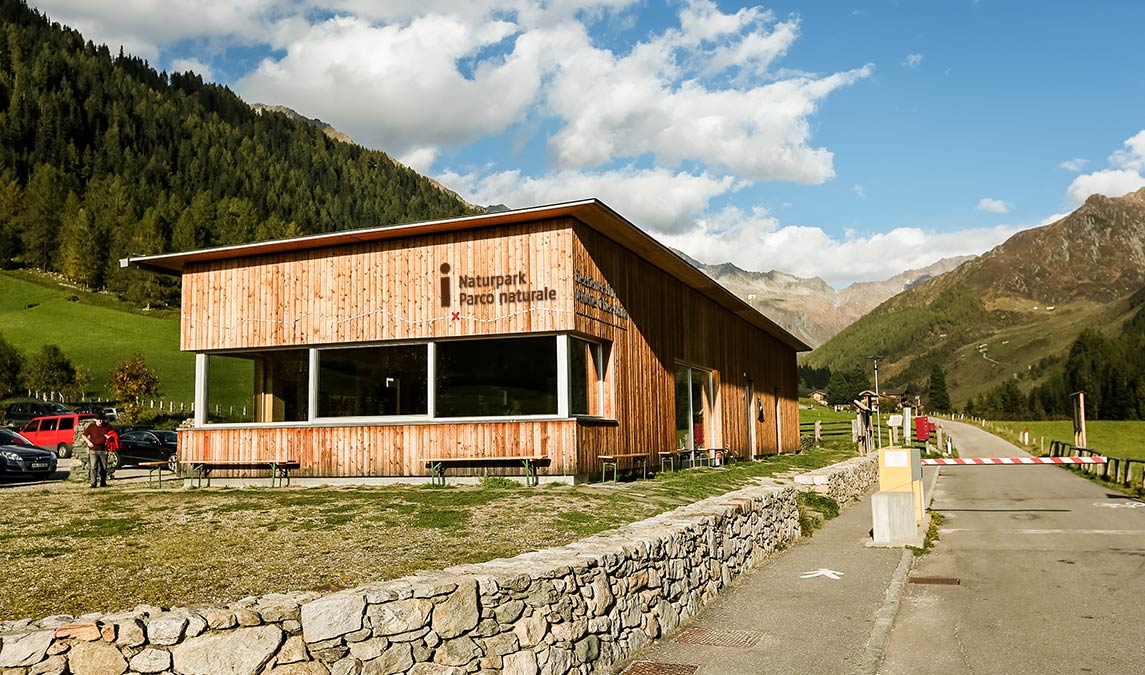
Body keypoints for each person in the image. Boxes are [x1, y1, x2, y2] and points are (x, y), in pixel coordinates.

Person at [82, 415, 111, 488]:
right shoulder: (92, 426)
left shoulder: (107, 426)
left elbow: (113, 434)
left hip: (104, 450)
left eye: (101, 420)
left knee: (103, 467)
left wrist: (109, 437)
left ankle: (103, 482)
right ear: (95, 420)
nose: (100, 421)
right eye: (98, 420)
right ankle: (93, 483)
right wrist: (88, 442)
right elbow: (84, 435)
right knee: (93, 467)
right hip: (93, 450)